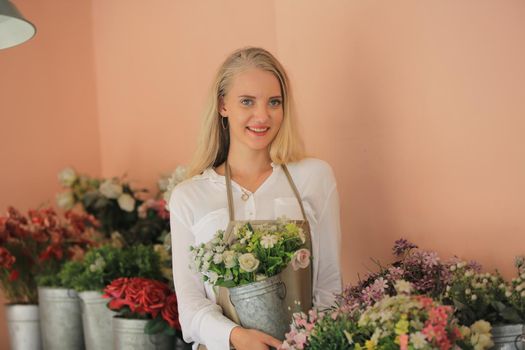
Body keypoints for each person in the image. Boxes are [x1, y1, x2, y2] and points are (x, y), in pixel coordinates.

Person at [169, 47, 342, 350]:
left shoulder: (314, 177)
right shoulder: (189, 196)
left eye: (274, 102)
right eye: (247, 101)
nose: (262, 116)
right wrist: (236, 337)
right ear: (223, 105)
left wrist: (312, 340)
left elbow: (329, 284)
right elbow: (191, 305)